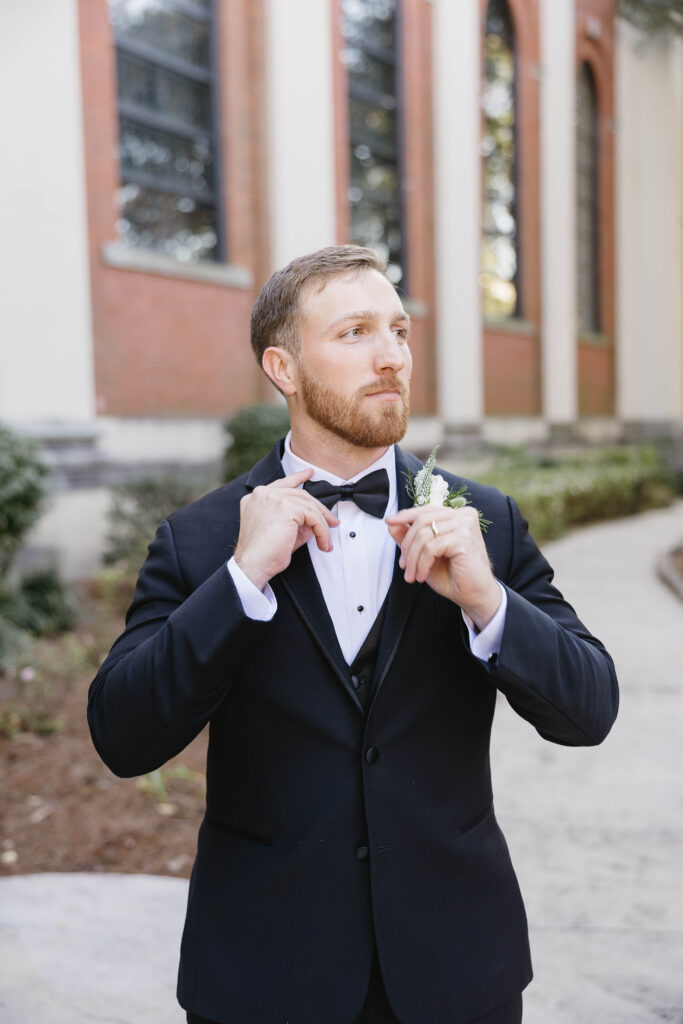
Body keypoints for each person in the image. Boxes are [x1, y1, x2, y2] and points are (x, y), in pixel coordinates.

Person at [88, 245, 619, 1024]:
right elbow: (122, 736)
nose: (392, 357)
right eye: (355, 333)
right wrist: (238, 584)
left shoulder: (485, 523)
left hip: (456, 972)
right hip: (265, 977)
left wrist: (487, 600)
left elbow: (589, 709)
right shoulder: (202, 539)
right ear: (283, 367)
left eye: (398, 331)